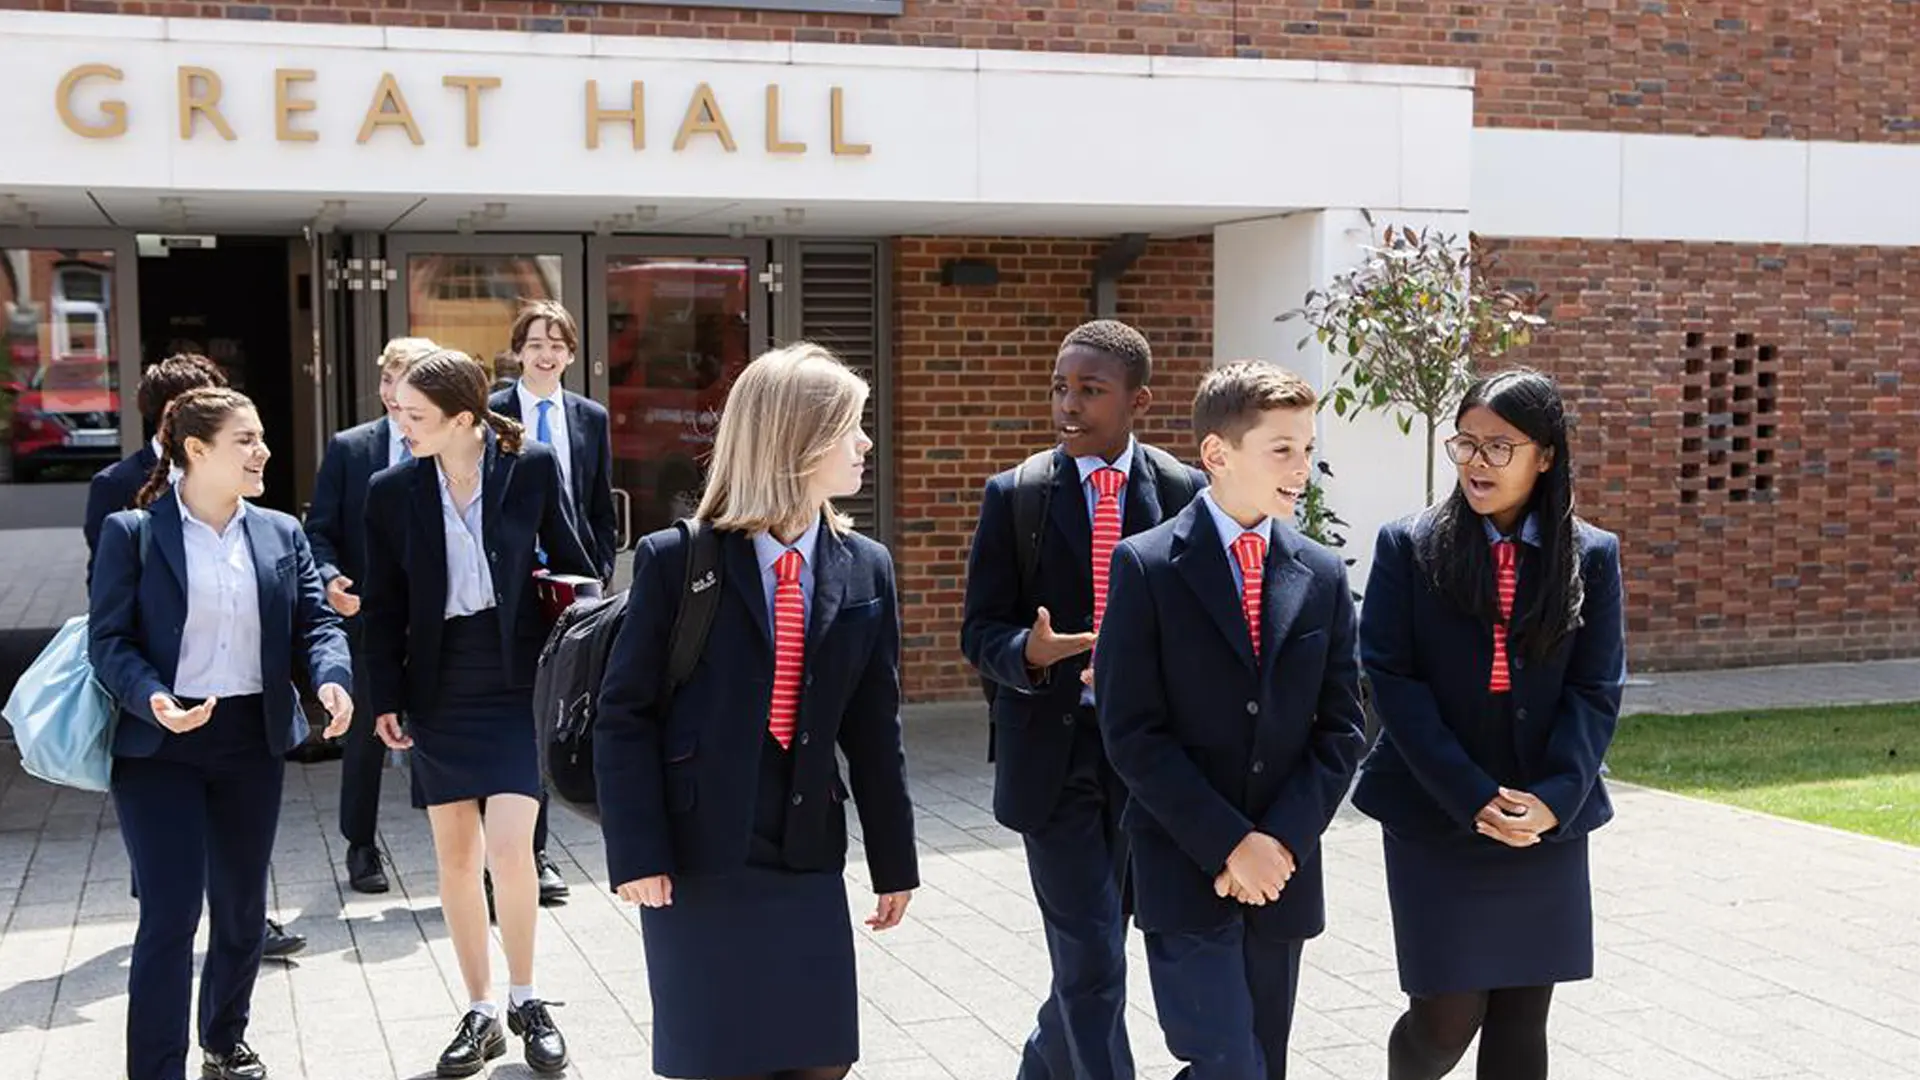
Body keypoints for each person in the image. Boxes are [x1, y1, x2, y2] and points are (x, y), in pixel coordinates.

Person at [594, 342, 918, 1080]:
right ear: (795, 440)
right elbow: (625, 715)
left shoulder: (866, 565)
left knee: (823, 1057)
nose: (867, 444)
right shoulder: (679, 561)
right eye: (851, 428)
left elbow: (875, 728)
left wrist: (893, 860)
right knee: (720, 1061)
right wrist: (637, 853)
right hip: (696, 858)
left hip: (804, 847)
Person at [1095, 360, 1367, 1080]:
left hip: (1282, 876)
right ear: (1217, 454)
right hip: (1186, 870)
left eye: (1308, 449)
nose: (1302, 467)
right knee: (1227, 1063)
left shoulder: (1322, 573)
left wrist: (1277, 842)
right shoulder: (1147, 567)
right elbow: (1131, 731)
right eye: (1282, 449)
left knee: (1261, 1065)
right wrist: (1228, 845)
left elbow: (1342, 727)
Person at [1353, 368, 1626, 1080]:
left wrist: (1554, 800)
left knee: (1521, 1015)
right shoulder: (1408, 546)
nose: (1477, 461)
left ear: (1546, 455)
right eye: (1466, 443)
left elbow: (1596, 688)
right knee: (1447, 1017)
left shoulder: (1591, 556)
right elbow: (1392, 680)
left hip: (1542, 818)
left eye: (1499, 447)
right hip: (1436, 811)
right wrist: (1472, 795)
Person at [960, 319, 1204, 1080]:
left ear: (1139, 400)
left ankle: (1043, 1067)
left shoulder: (1183, 491)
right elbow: (979, 629)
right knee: (1093, 949)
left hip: (1147, 762)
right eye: (1060, 388)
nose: (1069, 405)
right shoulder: (1018, 495)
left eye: (1091, 391)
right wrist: (1024, 655)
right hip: (1051, 759)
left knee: (1100, 947)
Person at [89, 386, 354, 1080]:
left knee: (240, 914)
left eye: (260, 437)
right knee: (170, 916)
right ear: (196, 451)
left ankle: (224, 1039)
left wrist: (330, 677)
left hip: (248, 737)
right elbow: (109, 641)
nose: (262, 451)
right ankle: (155, 1068)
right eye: (246, 440)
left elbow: (315, 625)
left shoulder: (279, 532)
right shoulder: (134, 532)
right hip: (160, 747)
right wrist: (152, 697)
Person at [360, 348, 596, 1078]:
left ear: (464, 418)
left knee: (509, 849)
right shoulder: (390, 490)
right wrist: (384, 700)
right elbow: (382, 608)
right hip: (436, 685)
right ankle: (480, 1009)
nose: (401, 426)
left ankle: (528, 998)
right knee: (455, 858)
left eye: (416, 415)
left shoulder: (529, 468)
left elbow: (577, 563)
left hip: (516, 679)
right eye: (397, 412)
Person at [486, 299, 618, 904]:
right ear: (518, 350)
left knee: (552, 706)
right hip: (507, 584)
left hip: (569, 584)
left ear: (571, 353)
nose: (546, 354)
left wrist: (597, 577)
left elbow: (596, 505)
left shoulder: (589, 416)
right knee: (515, 711)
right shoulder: (490, 412)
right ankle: (516, 854)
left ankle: (535, 853)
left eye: (558, 344)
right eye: (536, 343)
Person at [305, 336, 439, 894]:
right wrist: (331, 577)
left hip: (436, 620)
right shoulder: (350, 447)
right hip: (368, 617)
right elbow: (321, 531)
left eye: (404, 379)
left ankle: (464, 854)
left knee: (440, 733)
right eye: (386, 378)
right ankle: (361, 846)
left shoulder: (448, 444)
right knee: (364, 736)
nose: (390, 391)